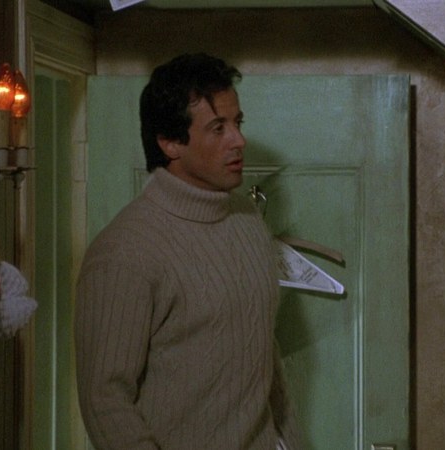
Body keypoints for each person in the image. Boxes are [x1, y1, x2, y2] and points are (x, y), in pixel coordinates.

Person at [75, 53, 301, 450]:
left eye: (237, 123)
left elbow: (263, 353)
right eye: (218, 128)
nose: (239, 141)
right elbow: (105, 403)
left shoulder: (247, 219)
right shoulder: (125, 252)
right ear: (170, 143)